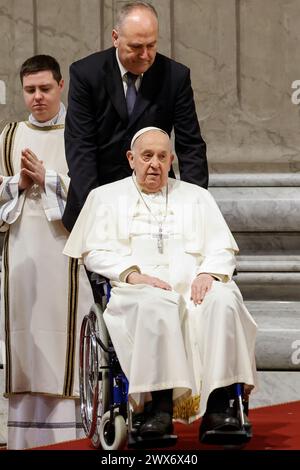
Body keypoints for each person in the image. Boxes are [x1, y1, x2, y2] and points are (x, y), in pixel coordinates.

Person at [63, 127, 257, 442]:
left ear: (171, 160)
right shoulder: (106, 198)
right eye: (147, 156)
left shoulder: (197, 197)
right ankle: (158, 409)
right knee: (157, 305)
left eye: (162, 157)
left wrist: (208, 273)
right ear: (131, 159)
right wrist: (132, 274)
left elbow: (222, 248)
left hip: (195, 289)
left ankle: (220, 408)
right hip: (137, 291)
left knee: (224, 300)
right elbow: (94, 252)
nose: (154, 163)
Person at [0, 55, 93, 450]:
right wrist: (17, 184)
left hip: (66, 254)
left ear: (61, 87)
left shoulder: (81, 132)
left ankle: (69, 436)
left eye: (45, 89)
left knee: (65, 340)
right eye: (29, 90)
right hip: (21, 253)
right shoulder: (7, 137)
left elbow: (97, 195)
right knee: (23, 337)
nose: (37, 98)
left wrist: (49, 180)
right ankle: (21, 438)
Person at [62, 1, 208, 234]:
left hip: (159, 203)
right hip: (99, 199)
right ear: (115, 37)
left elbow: (191, 147)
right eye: (136, 47)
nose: (145, 55)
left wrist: (193, 205)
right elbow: (80, 147)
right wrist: (97, 208)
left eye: (152, 46)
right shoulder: (86, 74)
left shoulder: (175, 76)